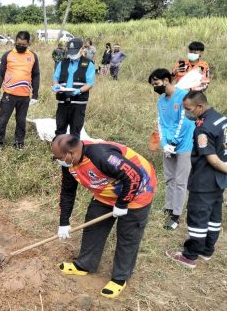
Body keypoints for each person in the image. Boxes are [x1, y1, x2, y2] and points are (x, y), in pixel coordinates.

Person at [53, 134, 157, 298]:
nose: (57, 160)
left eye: (58, 157)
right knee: (93, 226)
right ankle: (84, 264)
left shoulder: (101, 155)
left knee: (128, 235)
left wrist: (122, 204)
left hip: (139, 190)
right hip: (107, 192)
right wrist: (64, 222)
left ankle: (120, 277)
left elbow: (134, 176)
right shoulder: (69, 164)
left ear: (70, 153)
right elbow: (67, 192)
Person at [167, 92, 226, 269]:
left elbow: (213, 159)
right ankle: (207, 250)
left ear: (199, 107)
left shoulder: (203, 127)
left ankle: (190, 256)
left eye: (188, 109)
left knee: (198, 216)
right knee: (214, 216)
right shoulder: (221, 119)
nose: (186, 112)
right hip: (220, 181)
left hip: (205, 179)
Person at [148, 69, 195, 230]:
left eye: (157, 83)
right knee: (169, 179)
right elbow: (161, 123)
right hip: (168, 145)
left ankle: (176, 215)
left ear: (166, 80)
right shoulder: (161, 101)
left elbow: (185, 121)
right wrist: (164, 144)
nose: (155, 87)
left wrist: (174, 142)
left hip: (184, 145)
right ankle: (168, 208)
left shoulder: (183, 96)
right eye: (153, 85)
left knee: (181, 181)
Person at [0, 31, 40, 152]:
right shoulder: (8, 55)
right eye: (18, 43)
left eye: (23, 44)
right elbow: (0, 74)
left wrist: (35, 95)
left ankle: (19, 143)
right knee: (3, 120)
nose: (20, 46)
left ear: (28, 43)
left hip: (24, 97)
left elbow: (36, 76)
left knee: (21, 121)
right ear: (15, 41)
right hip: (8, 95)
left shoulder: (33, 56)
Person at [51, 37, 95, 138]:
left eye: (75, 51)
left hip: (78, 103)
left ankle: (73, 151)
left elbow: (89, 84)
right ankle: (59, 151)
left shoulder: (88, 64)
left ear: (82, 49)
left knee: (75, 131)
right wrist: (56, 85)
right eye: (70, 51)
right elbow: (55, 78)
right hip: (63, 101)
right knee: (60, 129)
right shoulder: (63, 63)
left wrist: (78, 90)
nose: (72, 54)